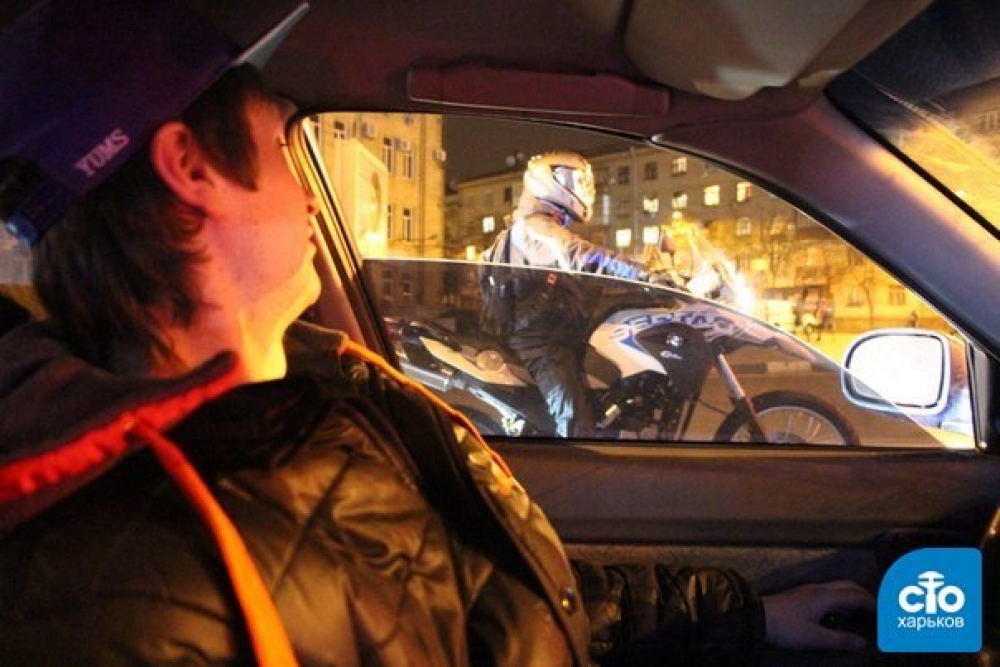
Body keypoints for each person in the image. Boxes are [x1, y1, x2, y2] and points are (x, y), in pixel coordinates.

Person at [0, 1, 874, 664]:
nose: (309, 198)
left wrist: (740, 614)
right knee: (567, 398)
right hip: (536, 337)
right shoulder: (127, 603)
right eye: (280, 151)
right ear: (191, 169)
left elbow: (492, 606)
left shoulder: (314, 397)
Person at [483, 152, 650, 438]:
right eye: (574, 179)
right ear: (549, 180)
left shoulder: (544, 227)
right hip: (539, 341)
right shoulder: (533, 228)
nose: (582, 187)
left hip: (560, 332)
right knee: (574, 419)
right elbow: (581, 256)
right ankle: (574, 459)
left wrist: (652, 271)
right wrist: (645, 275)